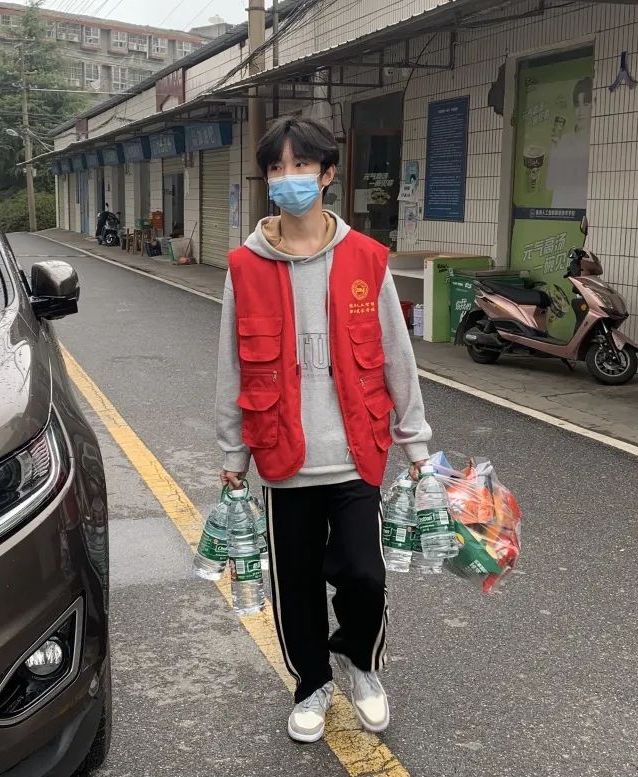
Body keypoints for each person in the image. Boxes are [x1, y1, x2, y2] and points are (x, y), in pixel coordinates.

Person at [216, 116, 432, 743]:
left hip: (356, 452)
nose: (288, 178)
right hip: (283, 457)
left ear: (328, 174)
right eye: (276, 167)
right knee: (297, 584)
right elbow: (230, 365)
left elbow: (396, 355)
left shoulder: (366, 258)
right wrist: (232, 454)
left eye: (301, 166)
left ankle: (360, 664)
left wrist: (417, 445)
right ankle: (311, 683)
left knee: (365, 574)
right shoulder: (244, 267)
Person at [546, 76, 592, 211]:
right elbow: (550, 184)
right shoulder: (562, 140)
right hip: (560, 209)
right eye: (577, 105)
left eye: (586, 104)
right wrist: (554, 149)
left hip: (580, 212)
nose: (580, 111)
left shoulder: (595, 144)